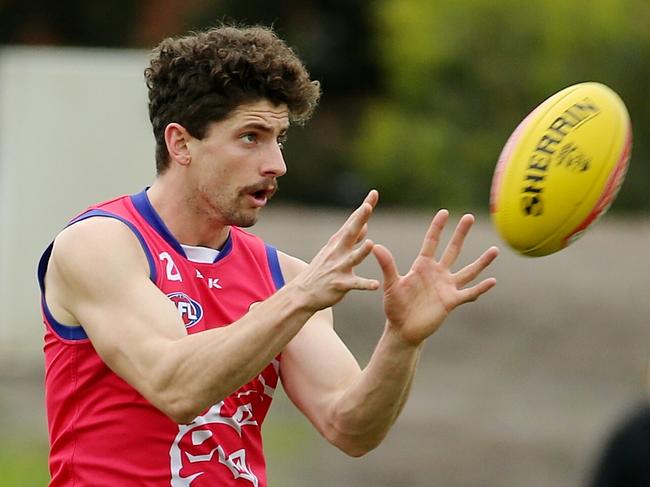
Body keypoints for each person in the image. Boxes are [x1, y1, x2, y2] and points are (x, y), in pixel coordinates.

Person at [37, 24, 499, 486]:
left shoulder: (284, 276)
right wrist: (296, 299)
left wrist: (401, 341)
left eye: (279, 138)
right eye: (251, 137)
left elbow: (350, 427)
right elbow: (173, 386)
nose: (276, 163)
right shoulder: (101, 244)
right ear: (181, 144)